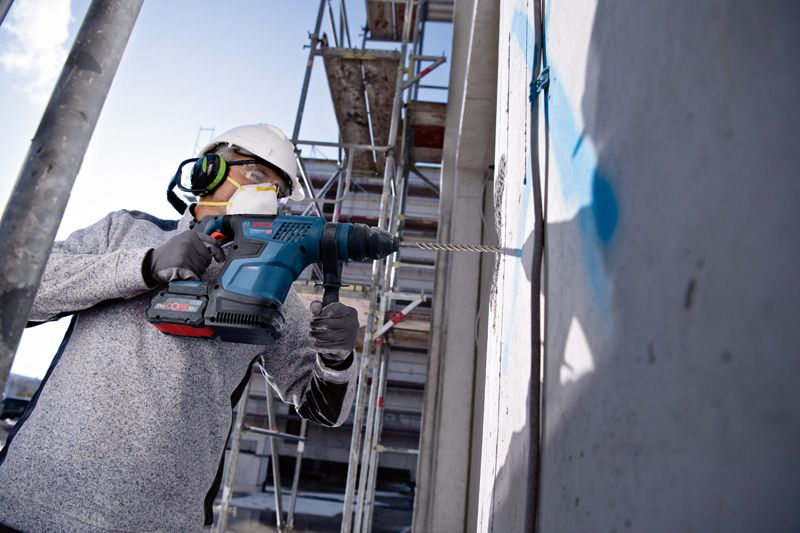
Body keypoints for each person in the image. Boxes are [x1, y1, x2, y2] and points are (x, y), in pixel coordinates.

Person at [0, 124, 360, 532]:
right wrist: (144, 264)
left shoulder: (272, 283)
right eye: (256, 175)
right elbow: (21, 293)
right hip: (26, 504)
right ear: (208, 170)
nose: (266, 196)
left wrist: (337, 357)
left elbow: (323, 409)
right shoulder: (127, 230)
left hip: (158, 522)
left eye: (277, 191)